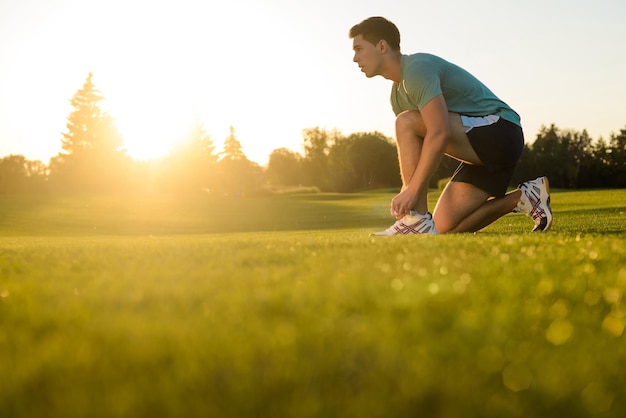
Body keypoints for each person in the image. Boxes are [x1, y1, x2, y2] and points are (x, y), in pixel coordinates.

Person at [348, 16, 552, 235]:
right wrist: (407, 191)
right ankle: (524, 197)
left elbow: (439, 132)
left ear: (381, 46)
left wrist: (412, 192)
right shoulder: (396, 97)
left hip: (501, 132)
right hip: (477, 149)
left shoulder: (417, 69)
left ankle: (416, 220)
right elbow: (417, 152)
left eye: (359, 48)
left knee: (405, 122)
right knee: (442, 228)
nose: (354, 58)